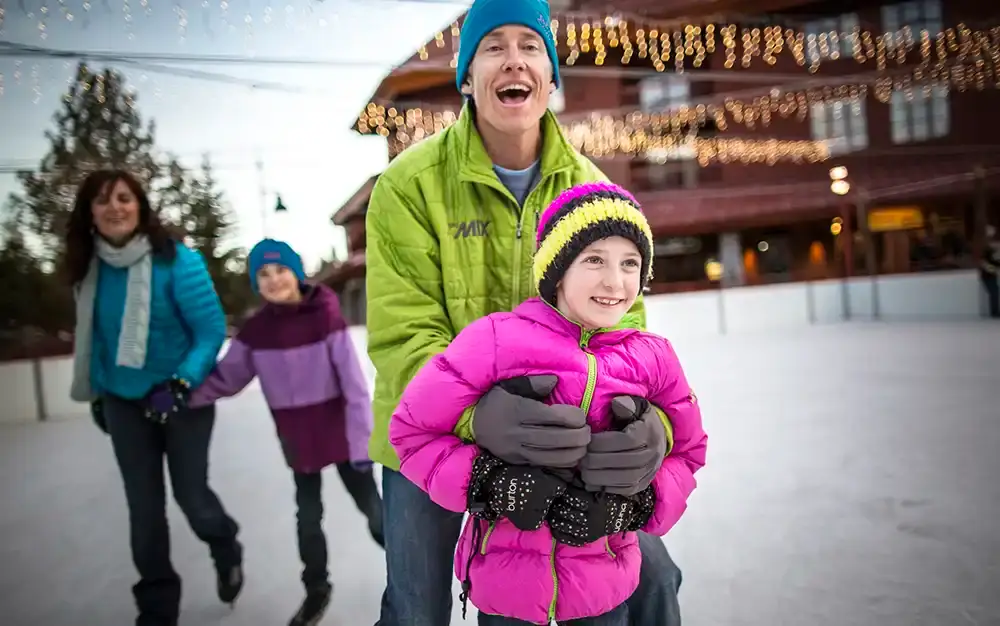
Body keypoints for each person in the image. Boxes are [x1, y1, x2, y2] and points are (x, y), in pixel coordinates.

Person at [365, 0, 686, 623]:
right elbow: (405, 332)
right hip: (427, 430)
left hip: (560, 436)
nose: (514, 59)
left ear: (551, 74)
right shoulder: (409, 184)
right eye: (493, 46)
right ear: (466, 76)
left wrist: (647, 426)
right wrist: (476, 416)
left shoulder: (589, 188)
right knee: (416, 608)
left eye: (530, 46)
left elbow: (626, 331)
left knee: (652, 577)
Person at [389, 183, 708, 626]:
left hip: (604, 587)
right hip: (507, 587)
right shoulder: (496, 339)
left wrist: (634, 505)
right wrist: (490, 482)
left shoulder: (654, 357)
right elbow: (412, 432)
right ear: (557, 269)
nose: (614, 281)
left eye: (630, 263)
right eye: (594, 259)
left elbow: (688, 454)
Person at [66, 169, 243, 626]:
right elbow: (99, 341)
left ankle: (224, 543)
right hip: (123, 401)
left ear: (141, 206)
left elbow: (209, 333)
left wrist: (181, 383)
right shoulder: (89, 269)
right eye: (102, 201)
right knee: (144, 509)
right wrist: (101, 395)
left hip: (181, 398)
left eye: (124, 198)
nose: (114, 208)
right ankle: (158, 606)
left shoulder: (177, 261)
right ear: (89, 213)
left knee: (192, 499)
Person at [189, 238, 384, 626]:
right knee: (307, 518)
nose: (274, 279)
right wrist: (182, 396)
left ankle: (411, 567)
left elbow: (355, 384)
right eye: (263, 274)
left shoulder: (325, 314)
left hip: (342, 434)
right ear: (256, 283)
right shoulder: (257, 331)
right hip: (298, 440)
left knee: (375, 512)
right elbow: (227, 378)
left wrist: (362, 439)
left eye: (280, 270)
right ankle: (316, 588)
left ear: (296, 273)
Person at [980, 225, 999, 318]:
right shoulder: (987, 250)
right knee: (994, 292)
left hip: (990, 275)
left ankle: (995, 311)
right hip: (988, 275)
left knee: (995, 292)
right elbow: (984, 263)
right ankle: (994, 312)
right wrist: (994, 270)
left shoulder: (991, 249)